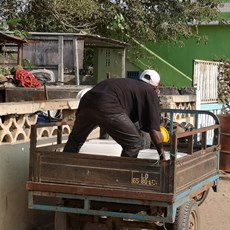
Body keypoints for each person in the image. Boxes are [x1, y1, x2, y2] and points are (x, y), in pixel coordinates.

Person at [63, 69, 166, 160]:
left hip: (87, 100)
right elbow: (154, 130)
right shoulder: (150, 91)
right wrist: (162, 156)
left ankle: (62, 168)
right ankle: (121, 176)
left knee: (75, 139)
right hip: (108, 104)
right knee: (134, 143)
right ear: (155, 86)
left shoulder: (128, 85)